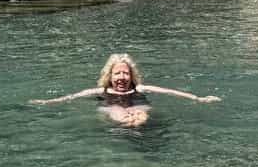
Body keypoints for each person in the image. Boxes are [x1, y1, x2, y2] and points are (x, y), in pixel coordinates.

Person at [29, 53, 219, 127]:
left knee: (138, 114)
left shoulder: (140, 88)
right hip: (112, 106)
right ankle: (127, 127)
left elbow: (169, 91)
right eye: (117, 73)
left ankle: (134, 127)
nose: (121, 77)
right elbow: (72, 97)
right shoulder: (100, 91)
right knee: (118, 112)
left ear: (132, 76)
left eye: (125, 73)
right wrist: (47, 102)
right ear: (110, 76)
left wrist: (197, 98)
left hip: (137, 104)